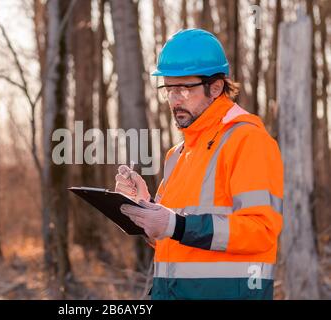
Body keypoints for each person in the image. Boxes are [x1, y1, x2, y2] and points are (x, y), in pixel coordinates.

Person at [115, 29, 283, 300]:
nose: (174, 100)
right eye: (168, 89)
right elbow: (171, 241)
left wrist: (175, 225)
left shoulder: (247, 140)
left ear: (215, 87)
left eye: (183, 88)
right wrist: (143, 205)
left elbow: (261, 231)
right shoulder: (177, 154)